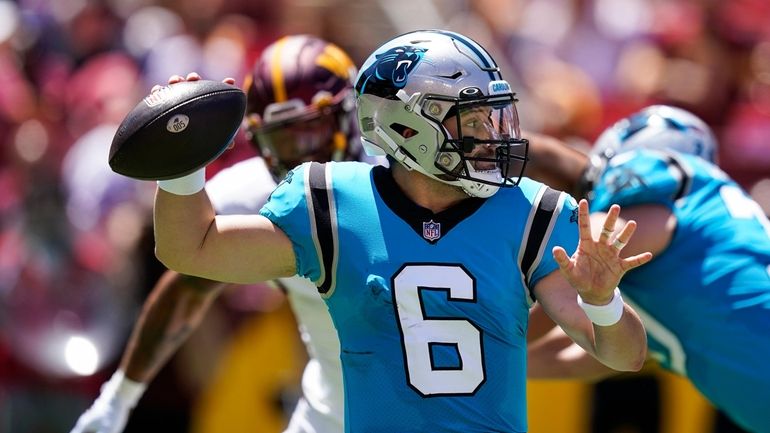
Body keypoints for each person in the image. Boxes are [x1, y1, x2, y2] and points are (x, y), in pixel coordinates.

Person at [147, 29, 650, 432]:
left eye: (492, 118)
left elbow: (624, 355)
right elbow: (191, 249)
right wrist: (181, 164)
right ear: (406, 128)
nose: (491, 137)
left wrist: (603, 301)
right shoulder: (333, 202)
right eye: (471, 121)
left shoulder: (529, 211)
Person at [70, 34, 365, 433]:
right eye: (281, 136)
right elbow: (187, 283)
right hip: (329, 414)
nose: (299, 153)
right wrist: (182, 163)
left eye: (310, 129)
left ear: (350, 115)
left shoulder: (399, 179)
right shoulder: (258, 192)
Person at [525, 105, 770, 433]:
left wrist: (489, 330)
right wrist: (491, 361)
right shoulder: (686, 263)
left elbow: (578, 265)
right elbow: (588, 354)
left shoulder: (651, 175)